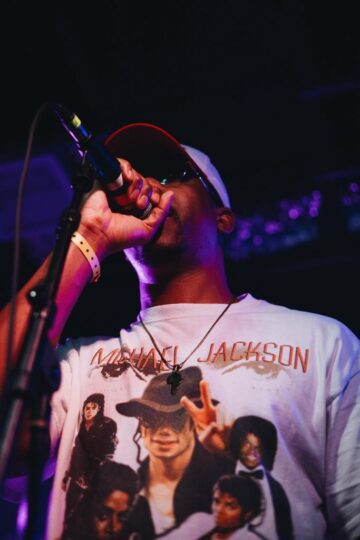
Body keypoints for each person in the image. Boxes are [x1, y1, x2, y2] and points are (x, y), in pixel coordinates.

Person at [0, 122, 359, 540]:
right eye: (141, 174)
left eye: (173, 175)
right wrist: (90, 237)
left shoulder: (321, 344)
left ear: (222, 217)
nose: (148, 185)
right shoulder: (77, 366)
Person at [116, 366, 233, 537]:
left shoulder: (223, 482)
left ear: (194, 422)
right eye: (151, 418)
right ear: (140, 426)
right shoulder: (125, 493)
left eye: (177, 419)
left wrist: (227, 454)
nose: (163, 430)